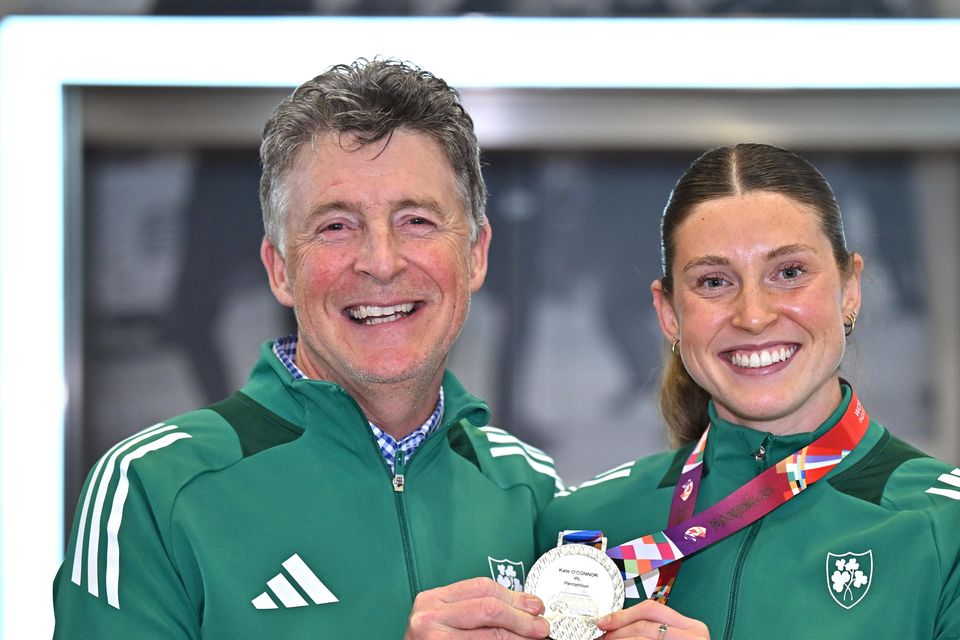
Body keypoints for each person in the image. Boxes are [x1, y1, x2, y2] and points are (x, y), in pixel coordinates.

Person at [53, 58, 562, 640]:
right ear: (280, 270)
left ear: (475, 254)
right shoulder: (152, 490)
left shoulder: (530, 490)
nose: (380, 262)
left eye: (417, 220)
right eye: (335, 227)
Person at [536, 143, 960, 638]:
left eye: (790, 273)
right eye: (714, 281)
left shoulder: (942, 525)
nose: (753, 316)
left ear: (850, 289)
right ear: (669, 313)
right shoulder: (581, 529)